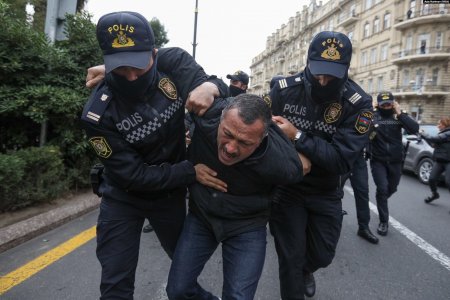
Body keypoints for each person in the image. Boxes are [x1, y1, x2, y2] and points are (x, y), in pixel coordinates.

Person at [81, 11, 226, 299]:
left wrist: (209, 87)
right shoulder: (97, 115)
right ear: (108, 63)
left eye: (139, 65)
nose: (132, 76)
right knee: (115, 287)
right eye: (121, 68)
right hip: (123, 198)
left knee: (184, 280)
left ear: (155, 54)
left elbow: (213, 85)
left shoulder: (172, 62)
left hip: (168, 198)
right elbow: (133, 176)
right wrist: (190, 171)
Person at [166, 94, 310, 300]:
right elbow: (177, 65)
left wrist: (297, 146)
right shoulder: (207, 117)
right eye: (227, 134)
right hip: (202, 217)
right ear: (221, 120)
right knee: (178, 290)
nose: (231, 148)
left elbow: (300, 167)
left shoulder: (282, 164)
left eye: (244, 142)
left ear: (262, 140)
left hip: (247, 226)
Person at [268, 31, 373, 299]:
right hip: (288, 187)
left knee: (323, 255)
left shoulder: (358, 104)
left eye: (332, 75)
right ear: (308, 62)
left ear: (346, 69)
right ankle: (296, 274)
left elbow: (339, 160)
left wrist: (299, 137)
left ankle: (307, 269)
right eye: (318, 72)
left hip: (326, 190)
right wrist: (293, 157)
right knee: (290, 259)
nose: (324, 80)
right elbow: (265, 137)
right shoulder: (283, 90)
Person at [368, 92, 419, 236]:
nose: (386, 106)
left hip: (396, 161)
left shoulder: (398, 117)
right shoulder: (374, 117)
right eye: (383, 104)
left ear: (393, 103)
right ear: (378, 104)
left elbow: (414, 129)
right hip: (378, 160)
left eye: (389, 103)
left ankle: (381, 199)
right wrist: (371, 112)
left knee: (392, 188)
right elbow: (365, 133)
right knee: (382, 189)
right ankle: (384, 221)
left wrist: (400, 113)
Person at [347, 150, 379, 244]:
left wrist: (368, 148)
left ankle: (363, 228)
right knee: (333, 190)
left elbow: (370, 135)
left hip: (358, 156)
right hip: (339, 152)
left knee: (363, 192)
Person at [421, 117, 450, 203]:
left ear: (445, 124)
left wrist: (424, 134)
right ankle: (435, 194)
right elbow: (433, 144)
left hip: (449, 161)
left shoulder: (448, 133)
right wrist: (424, 136)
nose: (438, 126)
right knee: (432, 179)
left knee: (449, 182)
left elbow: (436, 139)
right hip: (440, 160)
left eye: (439, 124)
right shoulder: (442, 133)